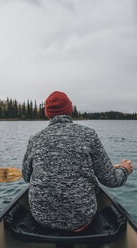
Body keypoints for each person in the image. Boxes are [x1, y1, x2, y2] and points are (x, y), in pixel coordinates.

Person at [22, 91, 133, 231]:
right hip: (81, 219)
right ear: (70, 110)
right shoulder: (89, 135)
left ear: (47, 113)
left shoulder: (35, 139)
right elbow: (111, 180)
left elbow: (26, 177)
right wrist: (124, 170)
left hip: (41, 217)